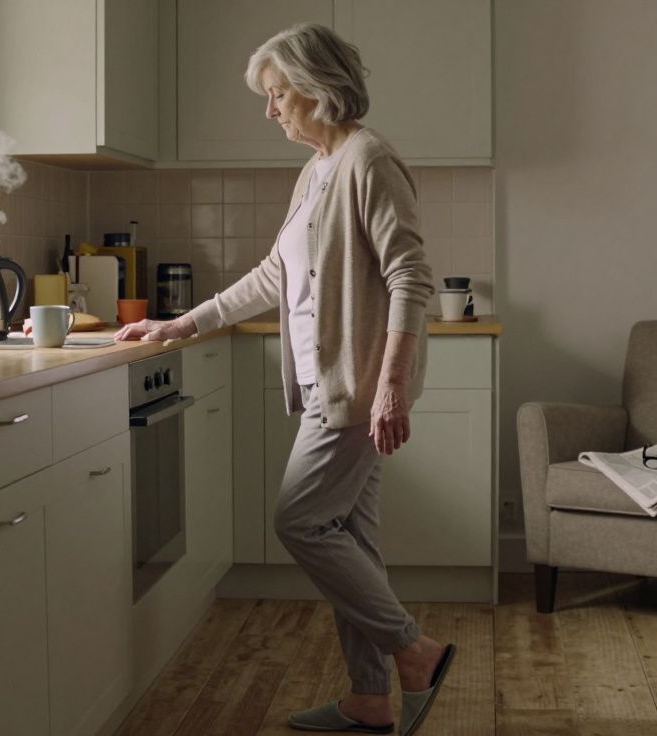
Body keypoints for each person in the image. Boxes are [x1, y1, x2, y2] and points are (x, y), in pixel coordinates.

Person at [115, 23, 453, 736]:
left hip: (355, 388)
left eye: (276, 94)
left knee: (298, 521)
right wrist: (181, 325)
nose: (270, 110)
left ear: (316, 88)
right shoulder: (317, 169)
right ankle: (369, 699)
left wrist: (389, 384)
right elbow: (274, 274)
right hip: (328, 384)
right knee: (349, 539)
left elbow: (409, 275)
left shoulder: (368, 159)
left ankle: (412, 649)